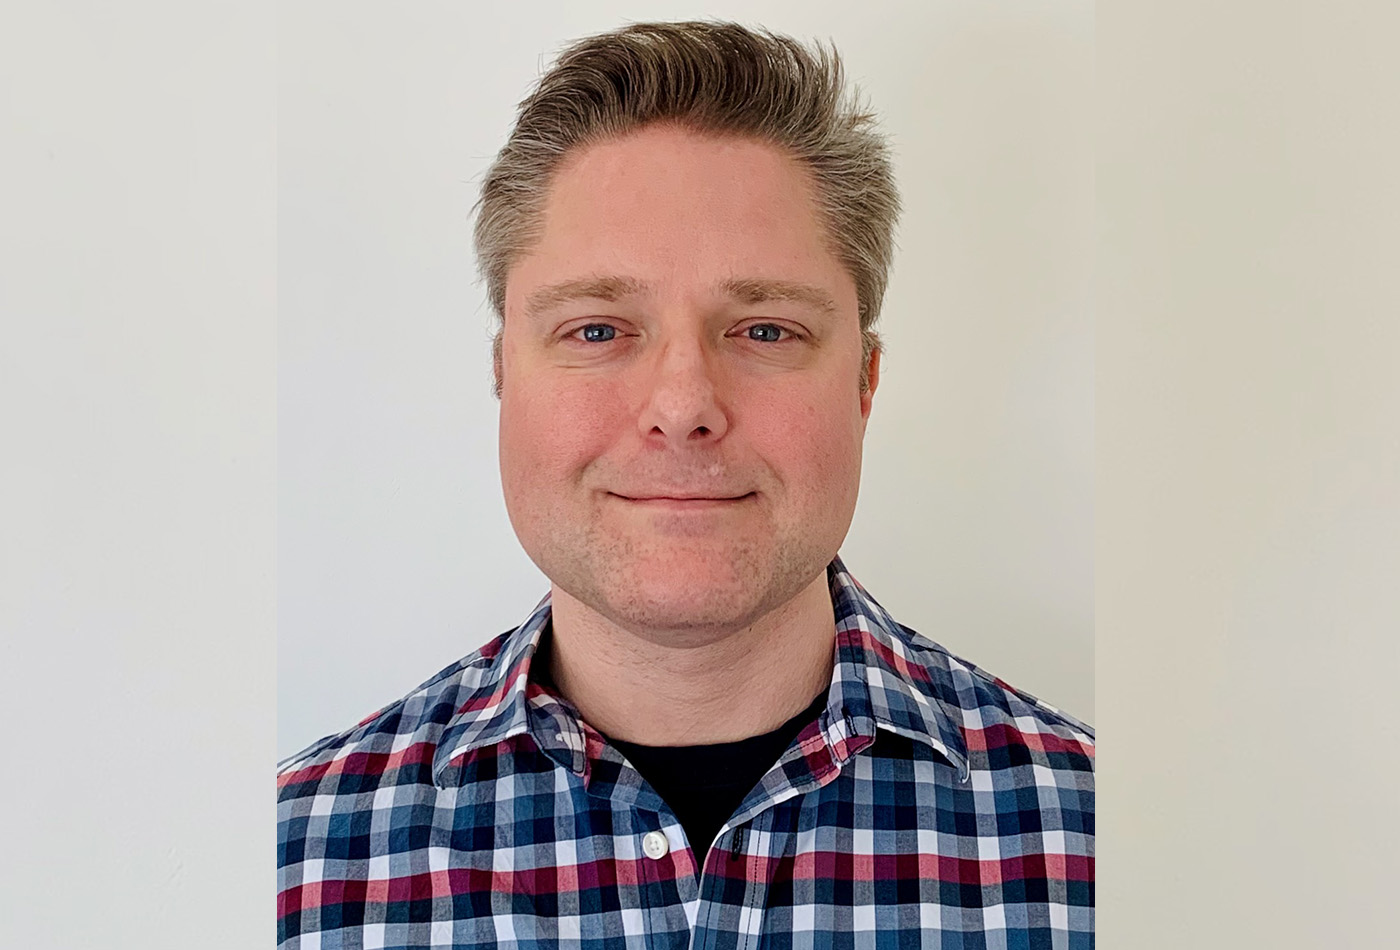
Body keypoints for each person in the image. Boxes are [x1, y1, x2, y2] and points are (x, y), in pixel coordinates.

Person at [277, 20, 1093, 948]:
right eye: (597, 330)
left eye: (765, 331)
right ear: (503, 372)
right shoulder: (295, 866)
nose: (682, 407)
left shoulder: (1095, 842)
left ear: (864, 382)